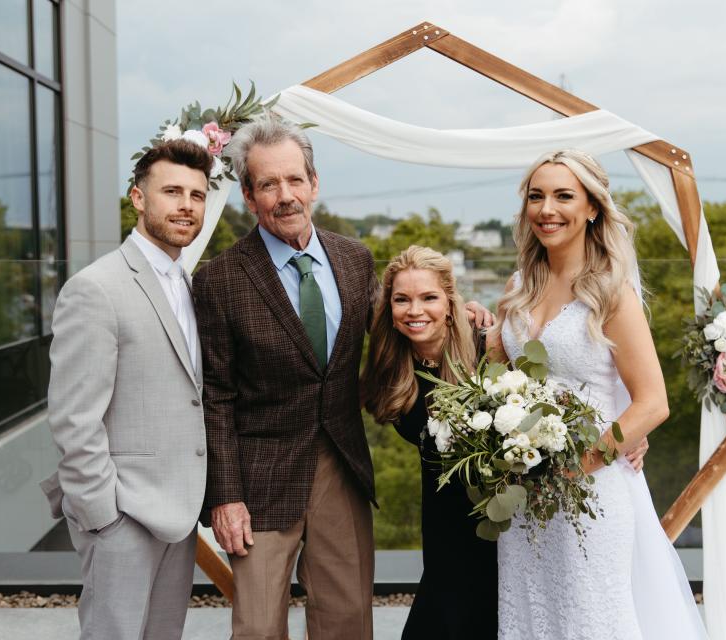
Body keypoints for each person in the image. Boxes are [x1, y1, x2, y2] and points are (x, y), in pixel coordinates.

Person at [194, 117, 493, 640]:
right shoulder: (220, 280)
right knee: (258, 627)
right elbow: (215, 395)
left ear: (314, 183)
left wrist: (464, 315)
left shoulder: (354, 259)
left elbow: (402, 325)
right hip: (259, 479)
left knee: (347, 621)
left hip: (343, 465)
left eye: (294, 180)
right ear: (247, 194)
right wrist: (225, 496)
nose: (285, 196)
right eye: (268, 184)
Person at [486, 149, 708, 639]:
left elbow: (652, 401)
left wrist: (577, 464)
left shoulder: (611, 292)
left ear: (592, 208)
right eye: (536, 196)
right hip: (525, 491)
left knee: (592, 617)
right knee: (530, 612)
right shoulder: (519, 285)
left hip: (592, 488)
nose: (547, 209)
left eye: (564, 196)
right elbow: (495, 379)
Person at [39, 139, 212, 639]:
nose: (185, 205)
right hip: (122, 515)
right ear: (138, 197)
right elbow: (74, 417)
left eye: (197, 196)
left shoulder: (186, 283)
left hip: (177, 513)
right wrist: (102, 516)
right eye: (172, 191)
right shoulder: (96, 288)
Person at [361, 245, 498, 640]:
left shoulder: (489, 348)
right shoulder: (392, 364)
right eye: (401, 299)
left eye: (429, 298)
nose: (415, 310)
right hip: (442, 524)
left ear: (451, 303)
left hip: (499, 523)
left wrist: (627, 436)